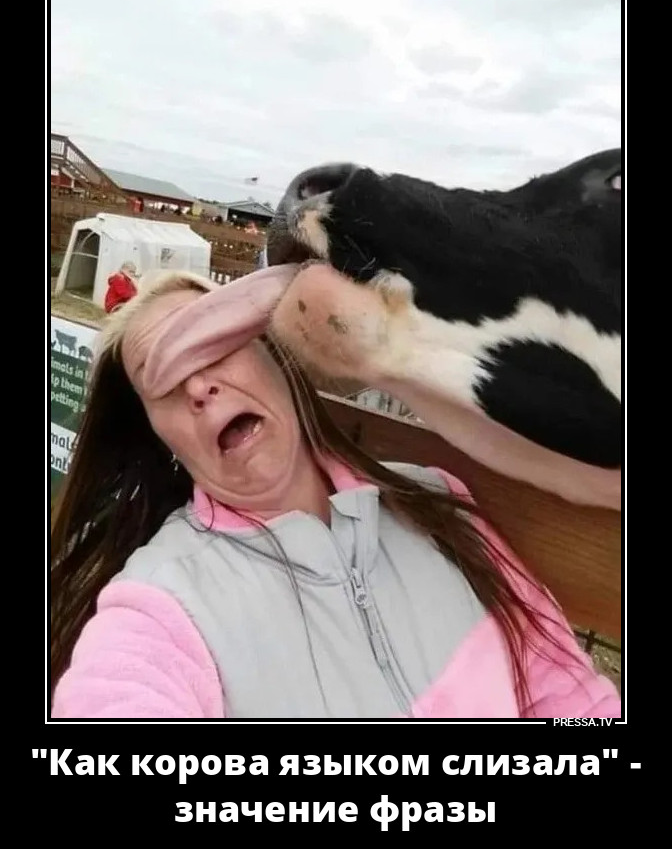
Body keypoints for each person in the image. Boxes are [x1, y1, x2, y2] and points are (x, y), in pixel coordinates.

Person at [51, 267, 621, 719]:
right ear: (162, 438)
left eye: (214, 344)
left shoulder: (440, 504)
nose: (198, 385)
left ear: (274, 357)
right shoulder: (163, 604)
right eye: (164, 382)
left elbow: (570, 697)